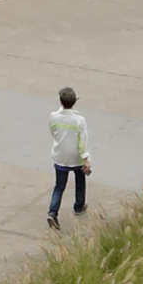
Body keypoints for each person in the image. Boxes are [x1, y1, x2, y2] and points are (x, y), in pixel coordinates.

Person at [47, 88, 90, 226]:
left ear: (61, 101)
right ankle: (79, 205)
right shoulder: (79, 120)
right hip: (75, 156)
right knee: (80, 181)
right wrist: (86, 159)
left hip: (60, 156)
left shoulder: (54, 116)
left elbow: (52, 132)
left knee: (59, 186)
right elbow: (83, 141)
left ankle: (52, 212)